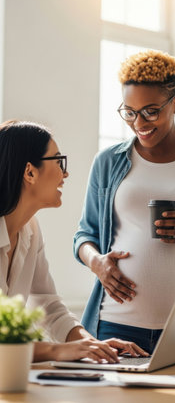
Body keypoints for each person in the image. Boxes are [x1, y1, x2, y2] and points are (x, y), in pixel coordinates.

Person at [73, 50, 175, 354]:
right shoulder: (107, 162)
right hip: (115, 323)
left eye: (150, 111)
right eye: (129, 112)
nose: (139, 123)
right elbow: (85, 235)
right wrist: (97, 263)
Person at [0, 120, 148, 363]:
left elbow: (47, 306)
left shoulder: (31, 230)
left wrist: (90, 344)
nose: (65, 173)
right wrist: (58, 351)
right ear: (30, 172)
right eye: (58, 162)